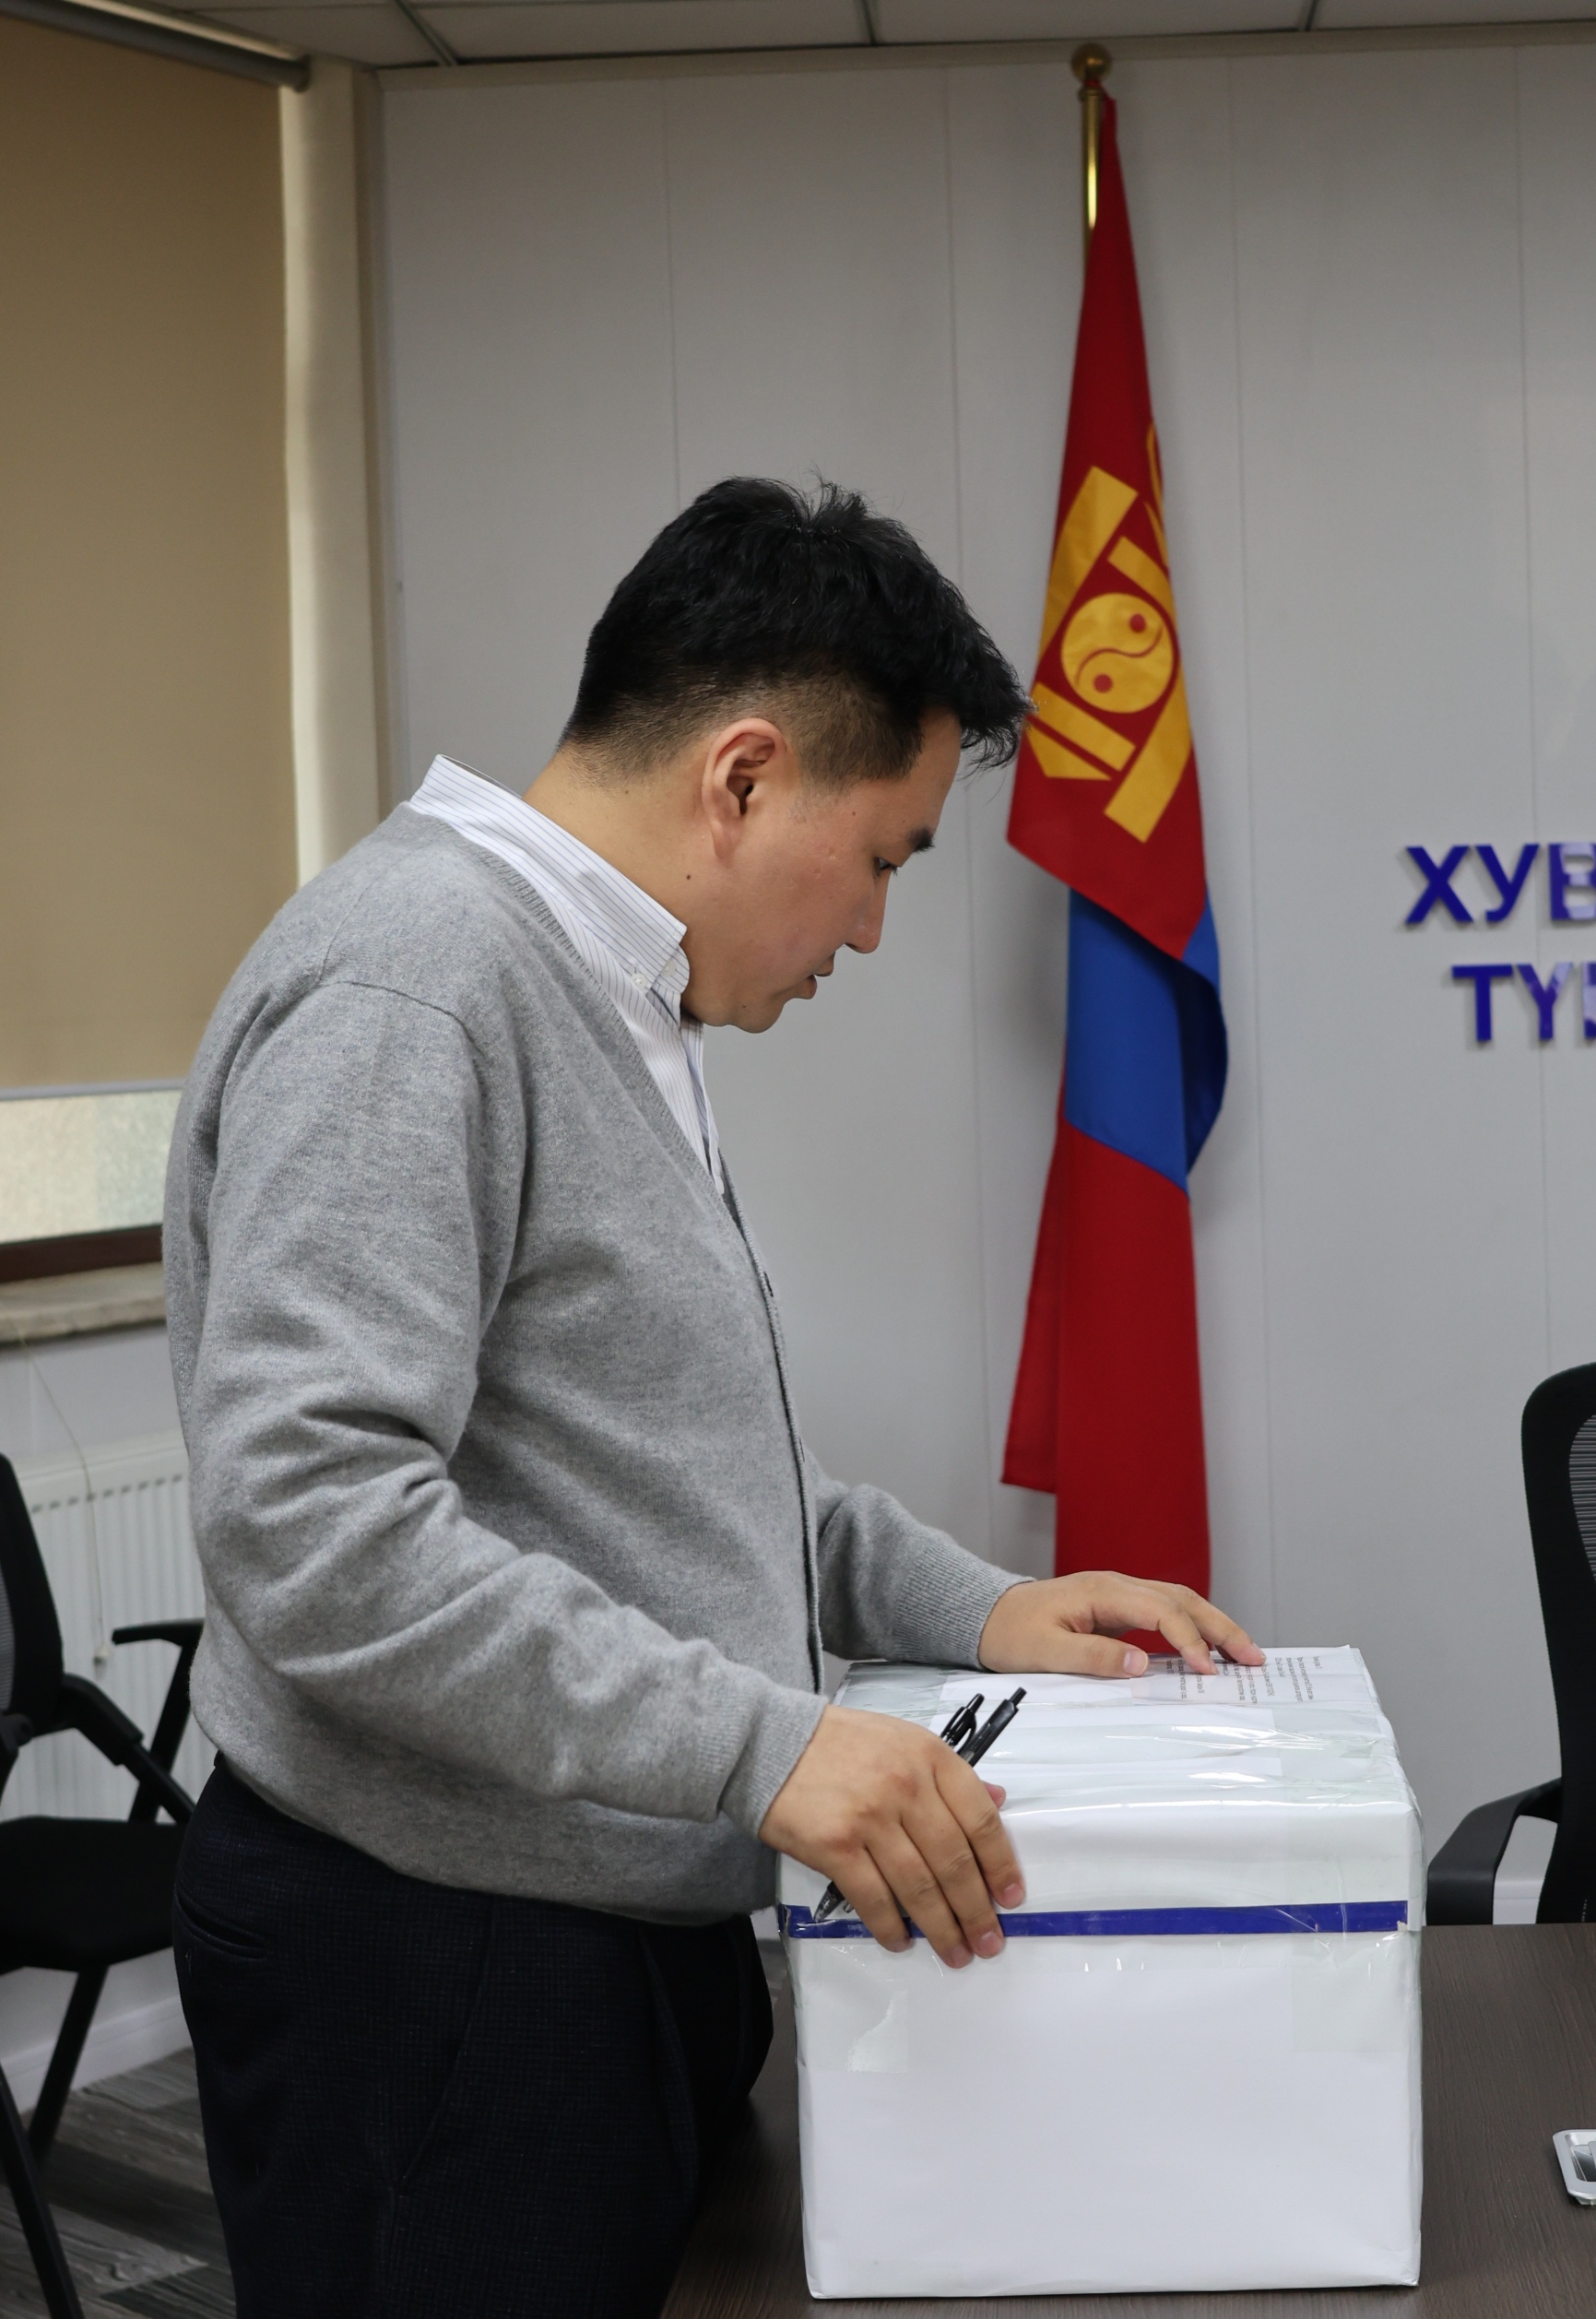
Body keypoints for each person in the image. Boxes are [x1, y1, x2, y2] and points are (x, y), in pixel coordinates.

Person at [162, 478, 1261, 2319]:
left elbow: (666, 1467)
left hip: (588, 1922)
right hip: (439, 1963)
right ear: (743, 777)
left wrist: (974, 1606)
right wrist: (766, 1749)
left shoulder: (605, 994)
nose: (877, 929)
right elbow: (312, 1529)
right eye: (887, 856)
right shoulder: (418, 984)